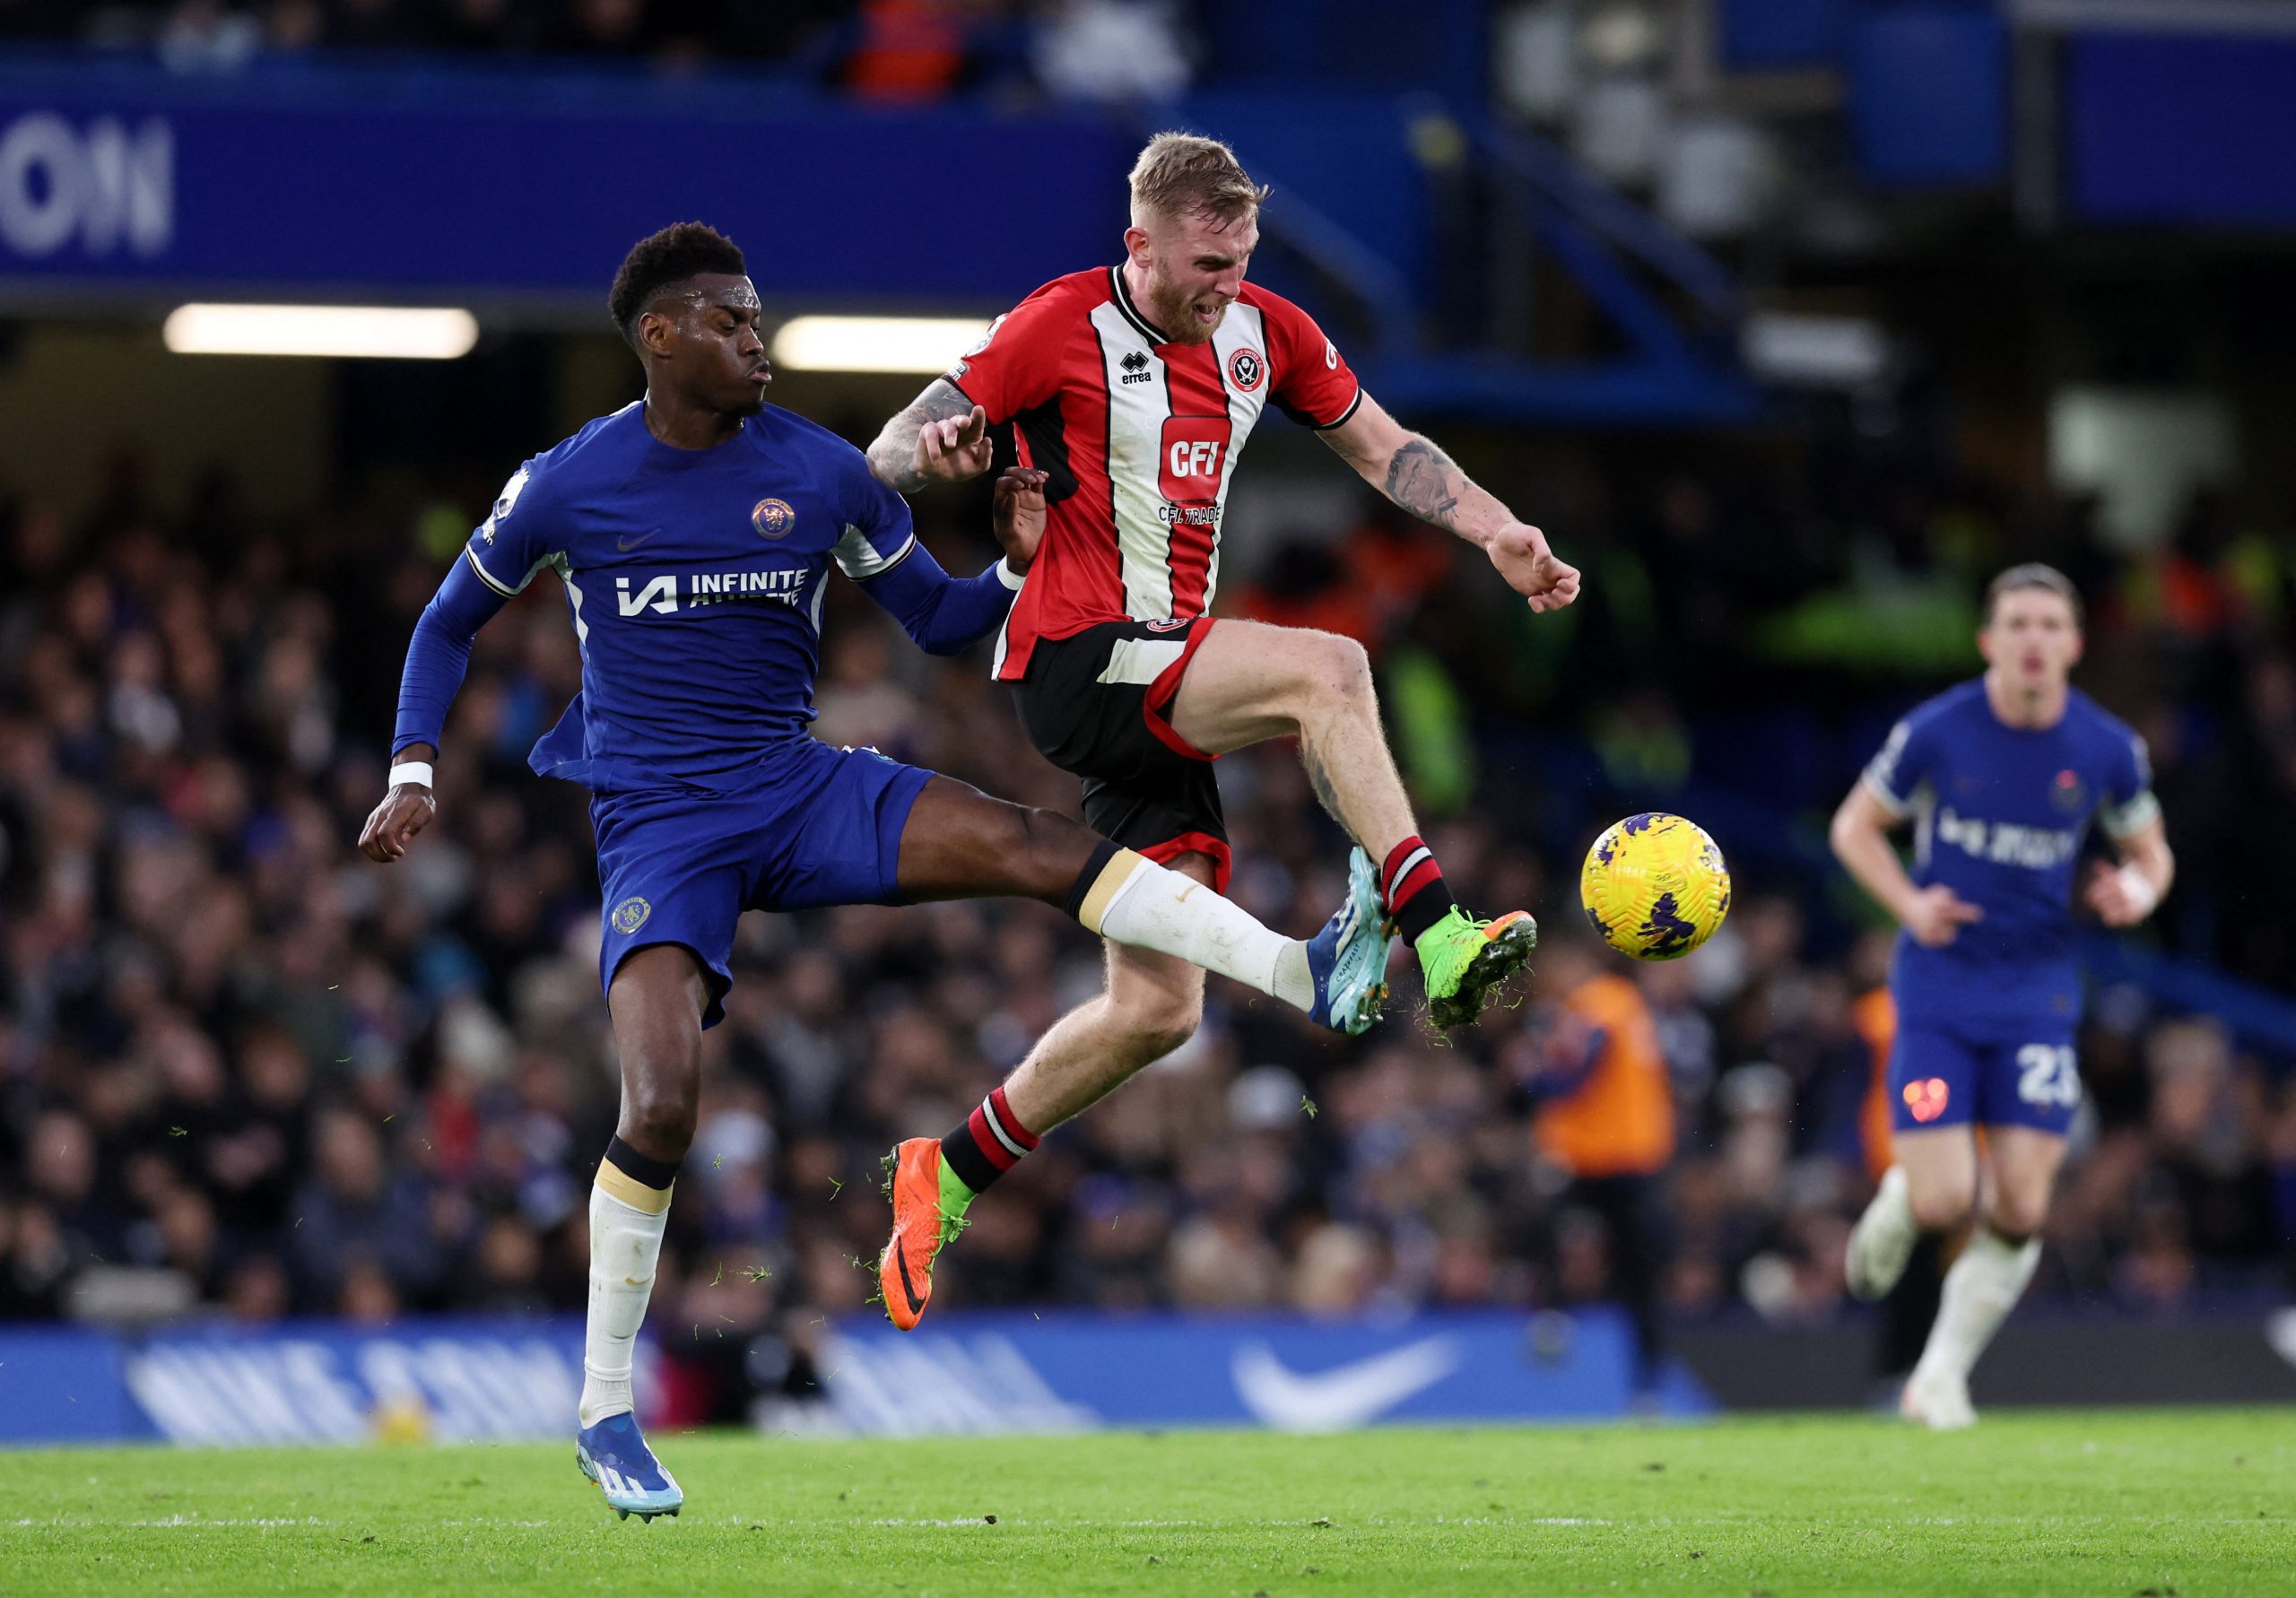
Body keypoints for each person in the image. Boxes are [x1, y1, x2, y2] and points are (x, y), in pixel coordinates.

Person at [358, 222, 1391, 1520]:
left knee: (1032, 842)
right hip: (662, 825)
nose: (758, 339)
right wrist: (410, 766)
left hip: (797, 788)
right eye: (731, 322)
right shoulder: (567, 483)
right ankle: (604, 1409)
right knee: (664, 1103)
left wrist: (1011, 561)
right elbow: (446, 619)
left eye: (761, 316)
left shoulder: (826, 473)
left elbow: (943, 622)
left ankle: (1296, 965)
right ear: (660, 337)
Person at [865, 133, 1580, 1328]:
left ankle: (947, 1170)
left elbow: (1386, 448)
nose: (1225, 286)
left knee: (1158, 1011)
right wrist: (926, 451)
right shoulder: (1058, 323)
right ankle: (1437, 929)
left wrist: (1497, 531)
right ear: (1138, 244)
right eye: (1204, 263)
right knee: (1331, 667)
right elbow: (900, 435)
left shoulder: (1271, 332)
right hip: (1080, 657)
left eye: (1240, 260)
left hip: (1165, 682)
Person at [1829, 564, 2174, 1429]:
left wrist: (2138, 893)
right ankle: (1903, 1199)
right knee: (1947, 1200)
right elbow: (1853, 828)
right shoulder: (1939, 730)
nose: (2032, 640)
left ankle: (1940, 1376)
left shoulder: (2105, 750)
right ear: (1988, 640)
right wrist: (1909, 903)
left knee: (2022, 1205)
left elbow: (2152, 855)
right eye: (2016, 623)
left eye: (2049, 625)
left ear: (2074, 644)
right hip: (1940, 988)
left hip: (2036, 994)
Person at [1517, 937, 1675, 1401]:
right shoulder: (1625, 1002)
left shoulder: (1598, 1001)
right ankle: (1645, 1385)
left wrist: (1532, 1077)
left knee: (1554, 1229)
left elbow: (1577, 1075)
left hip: (1602, 1160)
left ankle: (1554, 1318)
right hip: (1629, 1158)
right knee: (1637, 1273)